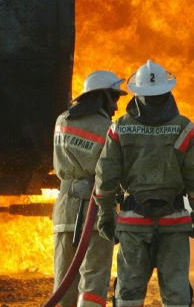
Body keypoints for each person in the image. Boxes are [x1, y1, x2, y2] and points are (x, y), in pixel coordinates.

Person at [95, 59, 194, 307]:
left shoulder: (120, 128)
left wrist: (105, 215)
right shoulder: (185, 128)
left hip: (133, 226)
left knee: (128, 296)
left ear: (137, 94)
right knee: (177, 295)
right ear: (168, 91)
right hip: (175, 225)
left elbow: (106, 176)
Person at [52, 70, 126, 307]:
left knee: (64, 281)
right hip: (95, 213)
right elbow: (115, 173)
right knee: (94, 280)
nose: (115, 105)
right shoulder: (108, 128)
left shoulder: (61, 120)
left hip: (65, 210)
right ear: (101, 96)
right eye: (113, 98)